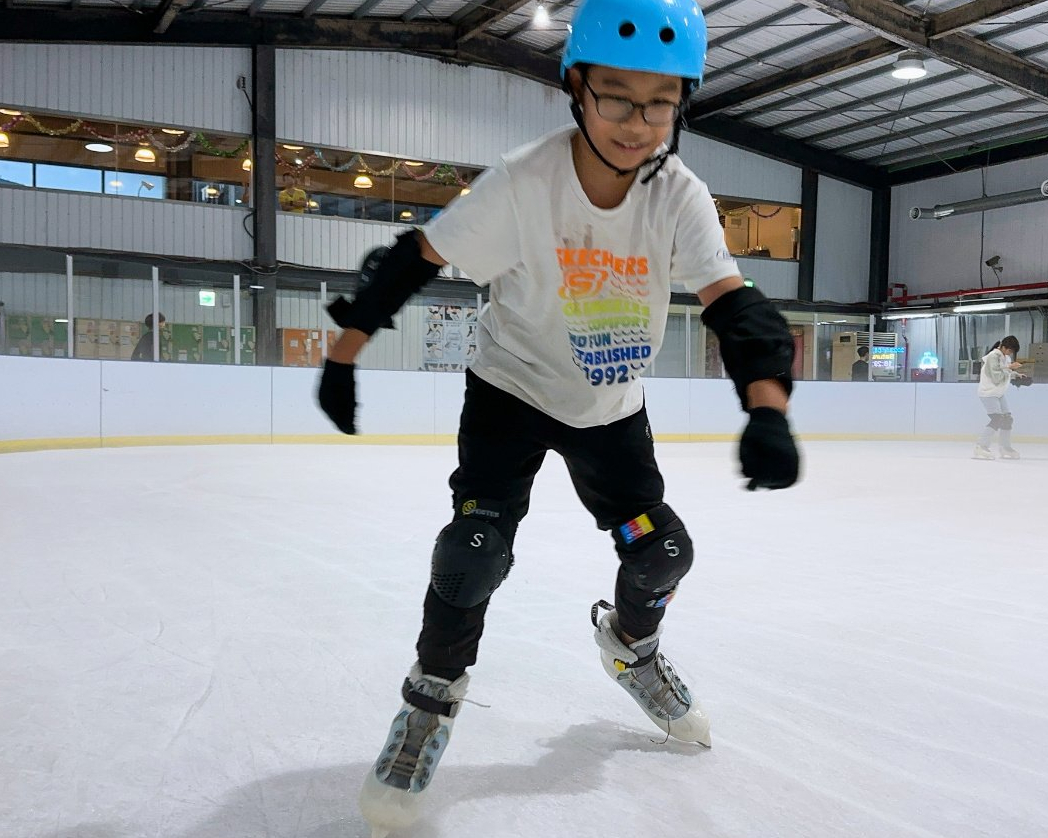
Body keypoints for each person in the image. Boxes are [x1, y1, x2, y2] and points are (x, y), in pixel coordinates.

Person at [316, 1, 800, 833]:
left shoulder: (679, 195)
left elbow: (735, 307)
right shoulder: (523, 182)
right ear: (576, 88)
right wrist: (342, 355)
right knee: (472, 552)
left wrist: (767, 411)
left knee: (661, 551)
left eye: (659, 102)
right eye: (617, 97)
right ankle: (428, 706)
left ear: (679, 104)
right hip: (509, 392)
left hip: (609, 411)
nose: (637, 122)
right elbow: (414, 259)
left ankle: (632, 651)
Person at [974, 336, 1027, 460]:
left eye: (1012, 352)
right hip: (988, 392)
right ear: (1003, 347)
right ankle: (981, 446)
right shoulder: (993, 356)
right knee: (997, 418)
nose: (1010, 354)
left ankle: (1005, 447)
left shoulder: (1004, 357)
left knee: (1007, 419)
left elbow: (1003, 371)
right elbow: (996, 377)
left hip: (998, 393)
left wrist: (1017, 375)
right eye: (1009, 351)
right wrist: (1010, 368)